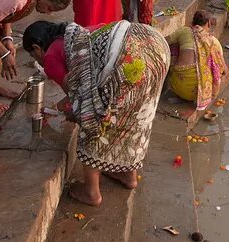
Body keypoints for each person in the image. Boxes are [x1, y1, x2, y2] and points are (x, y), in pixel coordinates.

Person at [22, 19, 170, 206]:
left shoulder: (50, 57)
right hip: (152, 43)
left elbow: (79, 97)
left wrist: (72, 112)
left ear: (36, 48)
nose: (39, 62)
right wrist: (58, 108)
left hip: (126, 57)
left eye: (35, 57)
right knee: (133, 116)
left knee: (91, 117)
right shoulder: (75, 33)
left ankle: (91, 192)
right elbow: (80, 84)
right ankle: (128, 174)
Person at [166, 12, 226, 109]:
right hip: (199, 94)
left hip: (177, 87)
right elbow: (224, 68)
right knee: (214, 62)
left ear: (193, 22)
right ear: (209, 24)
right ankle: (202, 95)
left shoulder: (183, 30)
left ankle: (180, 92)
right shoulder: (213, 40)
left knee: (174, 45)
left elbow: (165, 41)